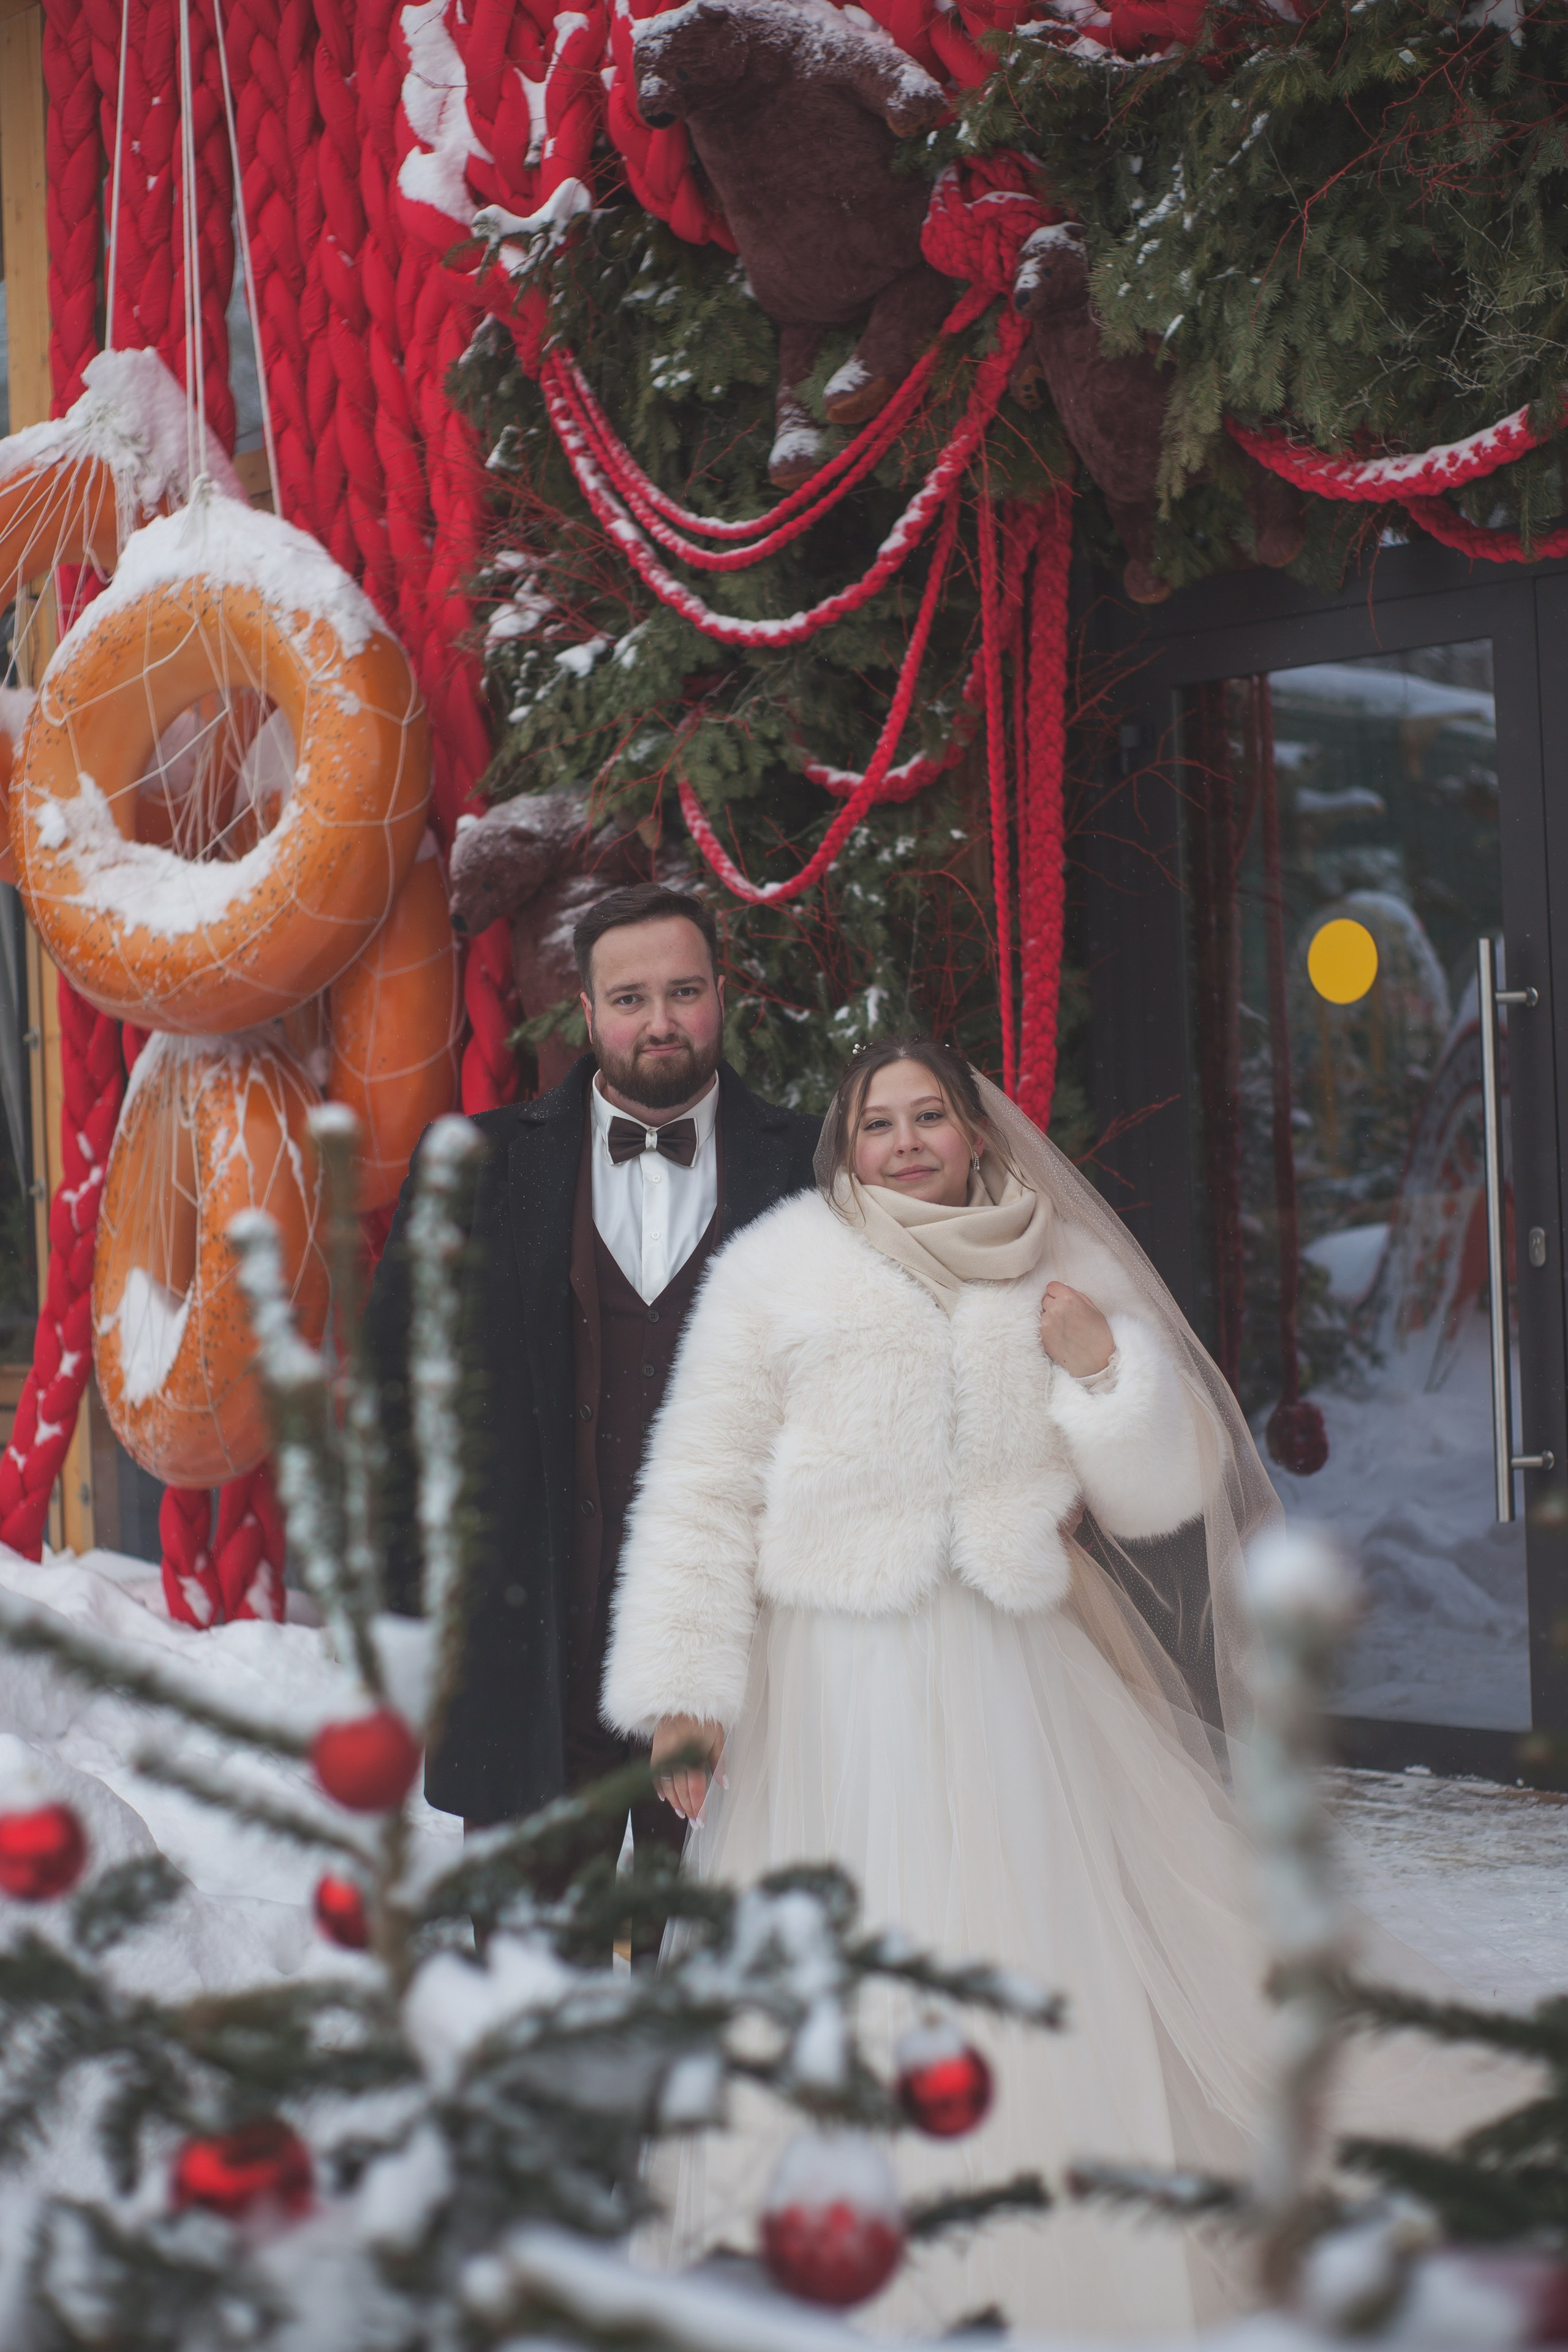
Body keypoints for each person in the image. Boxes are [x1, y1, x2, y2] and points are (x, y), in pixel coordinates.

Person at [601, 1036, 1287, 2332]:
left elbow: (1154, 1494)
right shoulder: (777, 1273)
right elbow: (700, 1484)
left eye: (930, 1118)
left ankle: (1031, 2242)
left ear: (976, 1135)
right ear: (843, 1146)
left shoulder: (1055, 1270)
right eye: (877, 1122)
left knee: (1017, 1930)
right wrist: (684, 1690)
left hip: (1003, 1666)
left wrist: (1096, 1366)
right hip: (829, 1673)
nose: (906, 1142)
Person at [366, 883, 820, 1860]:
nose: (660, 1022)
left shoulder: (809, 1169)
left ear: (722, 995)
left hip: (737, 1684)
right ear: (586, 1011)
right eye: (629, 998)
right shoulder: (474, 1168)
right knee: (532, 1997)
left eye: (684, 991)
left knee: (714, 1997)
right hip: (526, 1669)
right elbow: (392, 1402)